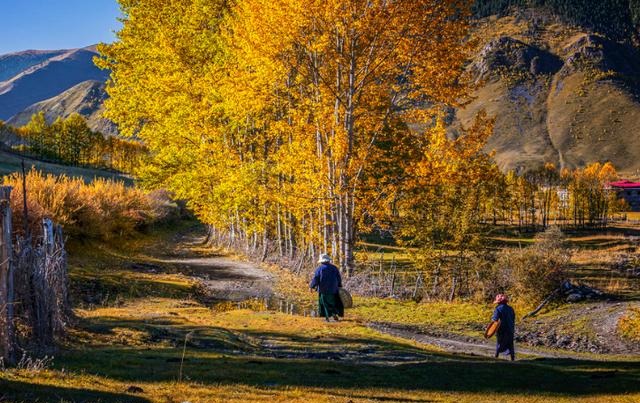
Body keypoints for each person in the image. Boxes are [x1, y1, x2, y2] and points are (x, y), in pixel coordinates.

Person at [310, 253, 344, 322]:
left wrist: (312, 286)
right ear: (328, 260)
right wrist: (339, 285)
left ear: (322, 261)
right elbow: (338, 278)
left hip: (323, 289)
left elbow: (316, 278)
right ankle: (334, 314)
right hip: (334, 289)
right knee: (333, 302)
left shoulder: (320, 269)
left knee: (324, 303)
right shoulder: (334, 268)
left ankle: (327, 318)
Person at [491, 293, 516, 361]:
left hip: (502, 329)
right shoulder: (511, 309)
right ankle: (512, 358)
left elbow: (495, 319)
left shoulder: (498, 308)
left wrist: (491, 327)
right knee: (510, 343)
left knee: (499, 342)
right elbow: (513, 318)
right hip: (510, 329)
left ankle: (496, 356)